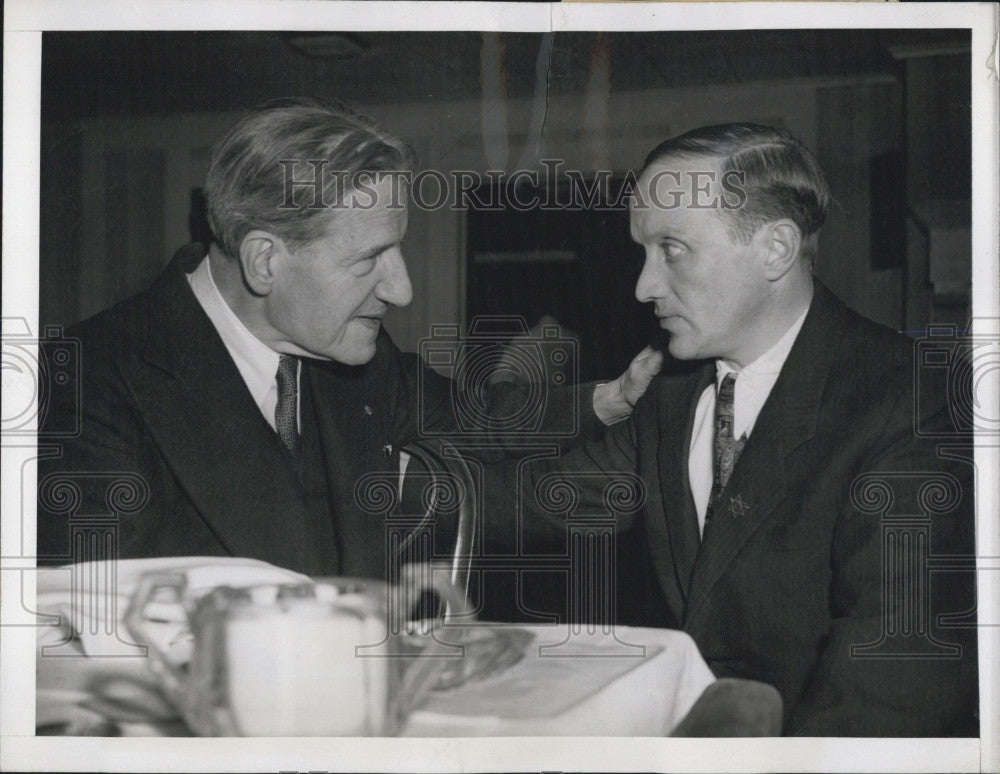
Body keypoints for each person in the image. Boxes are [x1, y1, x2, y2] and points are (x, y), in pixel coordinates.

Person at [36, 97, 658, 580]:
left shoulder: (341, 349)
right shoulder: (81, 387)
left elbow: (473, 415)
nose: (403, 289)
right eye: (369, 260)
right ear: (264, 262)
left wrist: (607, 398)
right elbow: (106, 654)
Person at [524, 124, 977, 736]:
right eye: (643, 252)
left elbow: (892, 688)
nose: (643, 286)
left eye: (672, 249)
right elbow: (541, 497)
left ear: (775, 249)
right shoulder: (671, 390)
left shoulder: (908, 401)